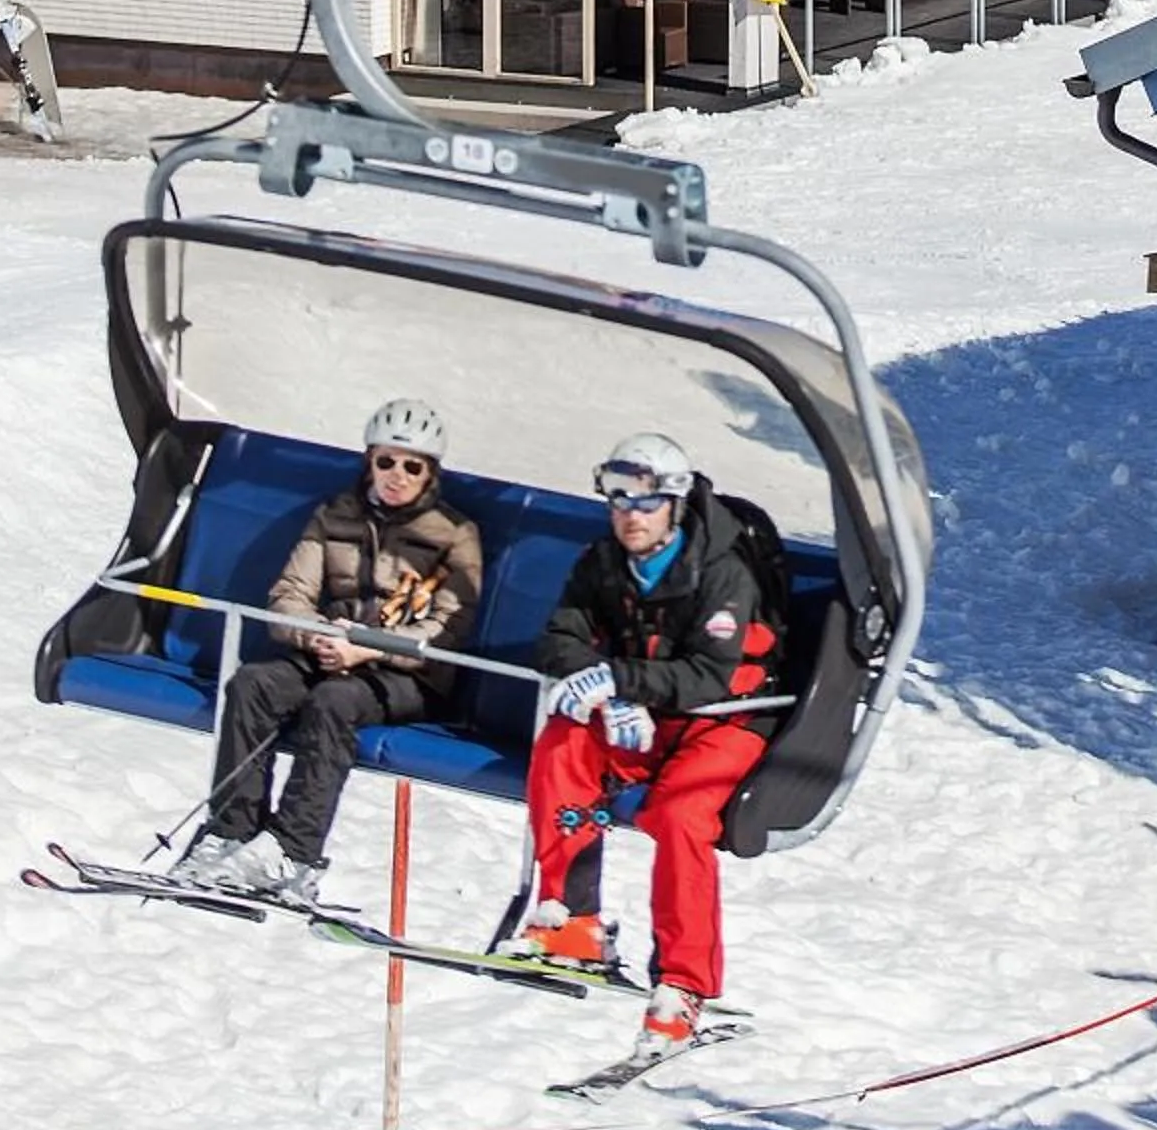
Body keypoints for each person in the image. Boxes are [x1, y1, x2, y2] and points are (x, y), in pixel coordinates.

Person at [524, 430, 781, 1052]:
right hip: (643, 716)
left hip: (723, 720)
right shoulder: (604, 562)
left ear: (673, 503)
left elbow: (709, 673)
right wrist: (610, 692)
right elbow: (560, 635)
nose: (628, 516)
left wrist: (620, 678)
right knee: (563, 742)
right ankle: (572, 916)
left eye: (642, 503)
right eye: (617, 501)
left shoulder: (720, 571)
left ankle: (683, 982)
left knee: (681, 816)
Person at [174, 398, 483, 901]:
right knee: (253, 685)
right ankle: (231, 833)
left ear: (430, 473)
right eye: (386, 462)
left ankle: (293, 852)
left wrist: (366, 648)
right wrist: (316, 633)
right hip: (327, 652)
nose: (396, 476)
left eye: (412, 467)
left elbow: (447, 629)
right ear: (369, 461)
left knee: (333, 704)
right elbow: (289, 593)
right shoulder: (336, 515)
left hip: (405, 675)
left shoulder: (454, 534)